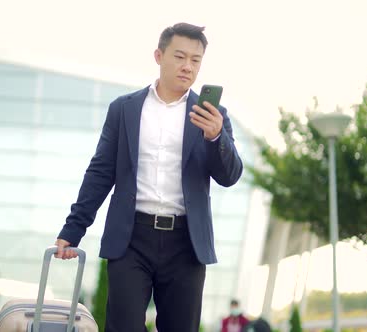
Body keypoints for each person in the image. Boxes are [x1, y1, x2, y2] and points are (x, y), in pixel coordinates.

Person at [54, 22, 243, 332]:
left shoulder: (213, 114)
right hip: (131, 238)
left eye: (195, 60)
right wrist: (73, 228)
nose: (187, 67)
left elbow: (230, 176)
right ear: (159, 55)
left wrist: (215, 137)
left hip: (186, 243)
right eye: (180, 57)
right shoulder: (124, 109)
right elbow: (101, 172)